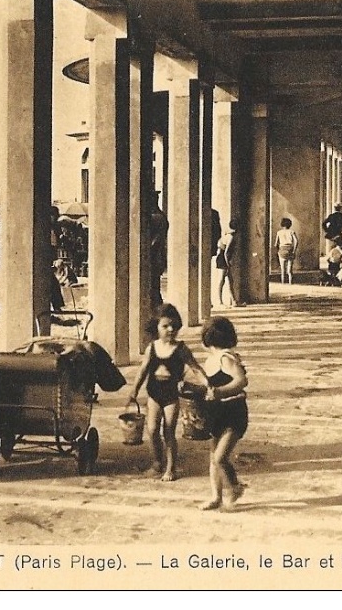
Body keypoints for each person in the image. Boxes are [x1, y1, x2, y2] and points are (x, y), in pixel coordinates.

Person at [129, 303, 210, 482]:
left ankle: (170, 468)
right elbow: (143, 370)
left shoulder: (181, 349)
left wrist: (207, 383)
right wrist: (134, 390)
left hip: (171, 397)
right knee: (151, 430)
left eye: (173, 325)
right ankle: (157, 462)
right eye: (165, 326)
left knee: (169, 431)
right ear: (156, 327)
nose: (170, 329)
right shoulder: (152, 348)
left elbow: (195, 368)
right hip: (154, 395)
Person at [198, 316, 249, 511]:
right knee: (213, 457)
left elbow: (241, 381)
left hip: (233, 413)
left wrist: (221, 392)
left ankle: (235, 486)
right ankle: (215, 496)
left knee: (219, 457)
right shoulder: (211, 360)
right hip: (217, 413)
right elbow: (209, 387)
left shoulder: (226, 358)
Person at [148, 192, 169, 308]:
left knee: (153, 286)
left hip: (154, 257)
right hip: (157, 257)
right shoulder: (160, 216)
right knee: (154, 286)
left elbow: (157, 240)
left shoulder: (157, 217)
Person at [216, 219, 242, 307]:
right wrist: (228, 264)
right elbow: (226, 252)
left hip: (223, 257)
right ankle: (220, 302)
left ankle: (234, 301)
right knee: (222, 280)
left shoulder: (227, 235)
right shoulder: (231, 237)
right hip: (223, 259)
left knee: (231, 281)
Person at [274, 217, 299, 284]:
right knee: (289, 271)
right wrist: (294, 250)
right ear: (289, 224)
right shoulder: (291, 232)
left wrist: (278, 250)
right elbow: (296, 241)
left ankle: (283, 284)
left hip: (282, 250)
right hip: (290, 249)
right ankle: (290, 284)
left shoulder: (279, 232)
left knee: (282, 270)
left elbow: (276, 244)